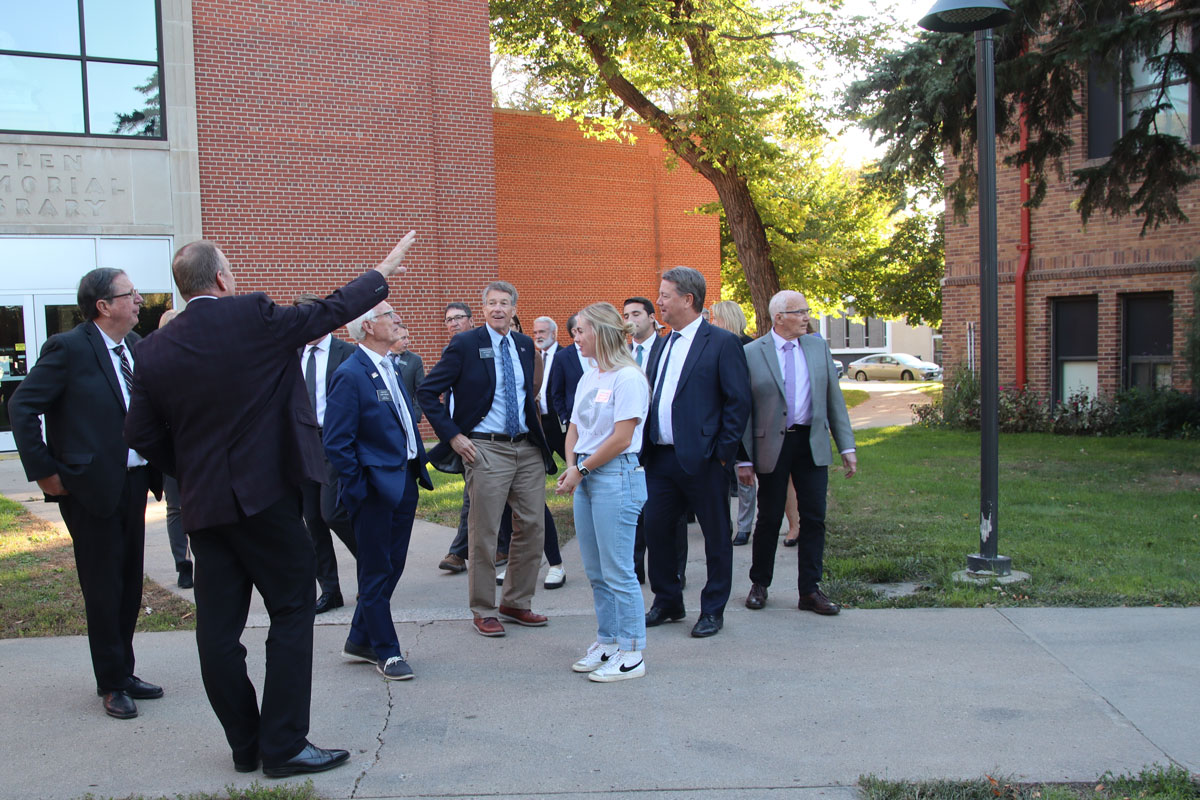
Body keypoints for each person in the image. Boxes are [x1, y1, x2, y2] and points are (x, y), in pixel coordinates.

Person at [124, 232, 416, 777]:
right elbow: (330, 309)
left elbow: (140, 431)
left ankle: (245, 744)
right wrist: (385, 269)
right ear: (220, 279)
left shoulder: (153, 347)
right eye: (230, 269)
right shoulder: (254, 315)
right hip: (267, 500)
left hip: (206, 507)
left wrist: (192, 468)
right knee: (290, 611)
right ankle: (282, 746)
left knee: (217, 630)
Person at [9, 268, 164, 721]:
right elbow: (22, 406)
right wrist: (45, 474)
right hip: (90, 489)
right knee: (103, 586)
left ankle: (125, 670)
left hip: (133, 483)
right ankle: (111, 683)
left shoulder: (134, 348)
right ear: (103, 305)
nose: (139, 300)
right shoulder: (69, 348)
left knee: (130, 584)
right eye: (130, 294)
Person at [418, 280, 556, 637]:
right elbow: (427, 391)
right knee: (485, 532)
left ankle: (516, 602)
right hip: (485, 448)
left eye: (504, 303)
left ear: (514, 309)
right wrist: (453, 434)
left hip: (525, 447)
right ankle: (483, 609)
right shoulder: (465, 344)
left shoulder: (526, 346)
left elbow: (531, 394)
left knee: (532, 527)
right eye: (491, 303)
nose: (498, 309)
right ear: (483, 310)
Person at [324, 301, 433, 680]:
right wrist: (360, 486)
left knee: (392, 566)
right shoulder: (350, 373)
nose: (398, 319)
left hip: (403, 480)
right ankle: (385, 651)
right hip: (373, 488)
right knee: (375, 571)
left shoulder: (391, 366)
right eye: (390, 315)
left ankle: (358, 638)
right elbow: (337, 442)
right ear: (368, 326)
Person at [641, 267, 750, 638]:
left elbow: (738, 403)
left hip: (704, 460)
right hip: (660, 458)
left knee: (716, 536)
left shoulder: (721, 343)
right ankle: (668, 600)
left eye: (665, 295)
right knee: (656, 530)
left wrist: (722, 454)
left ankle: (713, 609)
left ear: (688, 300)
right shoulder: (661, 342)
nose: (659, 302)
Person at [739, 290, 857, 615]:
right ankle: (759, 584)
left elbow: (835, 399)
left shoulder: (818, 347)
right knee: (770, 516)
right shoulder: (752, 352)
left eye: (807, 311)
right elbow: (743, 410)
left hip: (811, 443)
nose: (807, 317)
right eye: (800, 312)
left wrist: (846, 446)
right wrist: (744, 457)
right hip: (771, 445)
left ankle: (810, 591)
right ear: (779, 318)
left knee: (814, 518)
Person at [556, 302, 650, 681]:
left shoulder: (628, 378)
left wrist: (580, 469)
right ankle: (608, 641)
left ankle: (632, 651)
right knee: (596, 571)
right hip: (586, 474)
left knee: (618, 570)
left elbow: (622, 437)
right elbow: (574, 428)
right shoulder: (590, 376)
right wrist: (572, 466)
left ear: (601, 332)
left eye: (580, 331)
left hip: (615, 476)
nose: (575, 338)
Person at [295, 293, 359, 615]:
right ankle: (330, 590)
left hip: (335, 440)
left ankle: (373, 564)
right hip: (303, 444)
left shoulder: (347, 352)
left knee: (332, 513)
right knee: (312, 519)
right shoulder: (291, 354)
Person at [622, 296, 686, 586]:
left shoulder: (667, 347)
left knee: (671, 514)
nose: (630, 319)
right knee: (635, 509)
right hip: (631, 443)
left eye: (636, 313)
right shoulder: (622, 353)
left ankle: (676, 571)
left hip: (662, 442)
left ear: (651, 318)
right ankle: (636, 569)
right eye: (625, 315)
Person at [710, 300, 756, 547]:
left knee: (745, 478)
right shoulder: (712, 344)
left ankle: (745, 526)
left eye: (715, 319)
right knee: (721, 481)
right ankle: (723, 525)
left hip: (744, 421)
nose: (712, 323)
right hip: (717, 424)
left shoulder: (749, 346)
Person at [436, 301, 475, 574]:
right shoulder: (448, 351)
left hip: (479, 434)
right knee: (474, 494)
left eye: (459, 318)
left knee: (471, 495)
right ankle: (502, 544)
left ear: (471, 320)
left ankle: (458, 552)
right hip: (457, 433)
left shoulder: (478, 347)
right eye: (449, 320)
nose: (453, 323)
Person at [157, 308, 194, 589]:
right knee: (176, 508)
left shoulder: (198, 357)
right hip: (171, 448)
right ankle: (183, 564)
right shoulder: (154, 362)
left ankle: (202, 560)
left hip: (199, 447)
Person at [548, 313, 591, 431]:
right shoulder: (562, 357)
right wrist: (565, 418)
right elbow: (557, 392)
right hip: (574, 421)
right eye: (580, 330)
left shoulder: (601, 356)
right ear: (573, 331)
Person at [389, 323, 425, 423]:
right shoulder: (381, 357)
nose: (407, 342)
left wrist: (414, 415)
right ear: (392, 338)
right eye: (403, 338)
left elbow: (420, 390)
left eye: (407, 337)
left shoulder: (415, 360)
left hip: (406, 418)